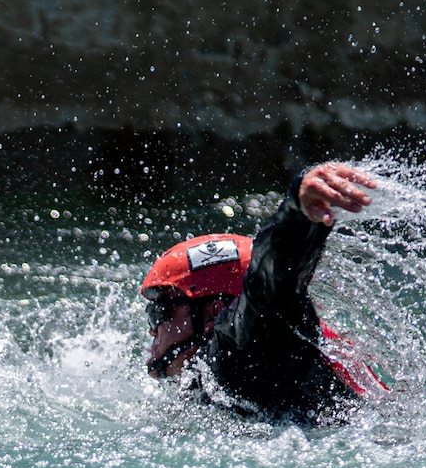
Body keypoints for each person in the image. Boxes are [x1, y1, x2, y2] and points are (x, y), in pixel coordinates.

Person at [141, 162, 388, 418]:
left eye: (160, 313)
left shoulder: (242, 351)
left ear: (214, 314)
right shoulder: (207, 372)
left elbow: (270, 277)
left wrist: (299, 213)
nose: (152, 328)